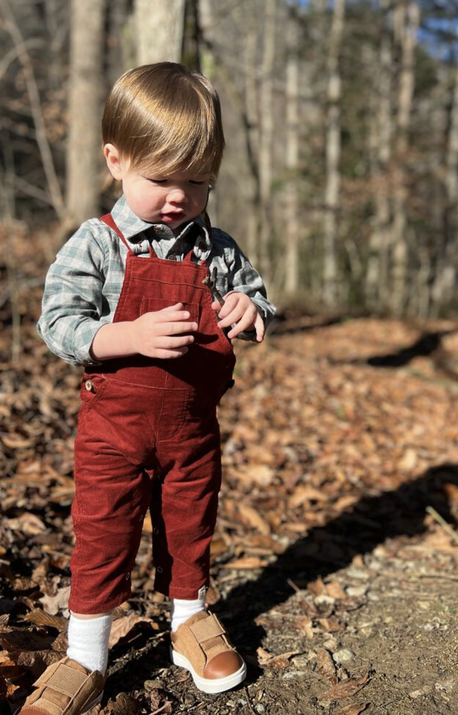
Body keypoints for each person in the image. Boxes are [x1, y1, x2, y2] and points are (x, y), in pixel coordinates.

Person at [19, 62, 275, 715]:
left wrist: (250, 311)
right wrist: (120, 337)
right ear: (116, 160)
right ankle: (86, 655)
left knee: (191, 527)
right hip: (113, 432)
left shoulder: (215, 250)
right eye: (161, 179)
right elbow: (57, 320)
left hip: (192, 428)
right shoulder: (97, 245)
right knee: (103, 532)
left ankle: (188, 622)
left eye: (198, 181)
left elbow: (254, 295)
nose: (179, 197)